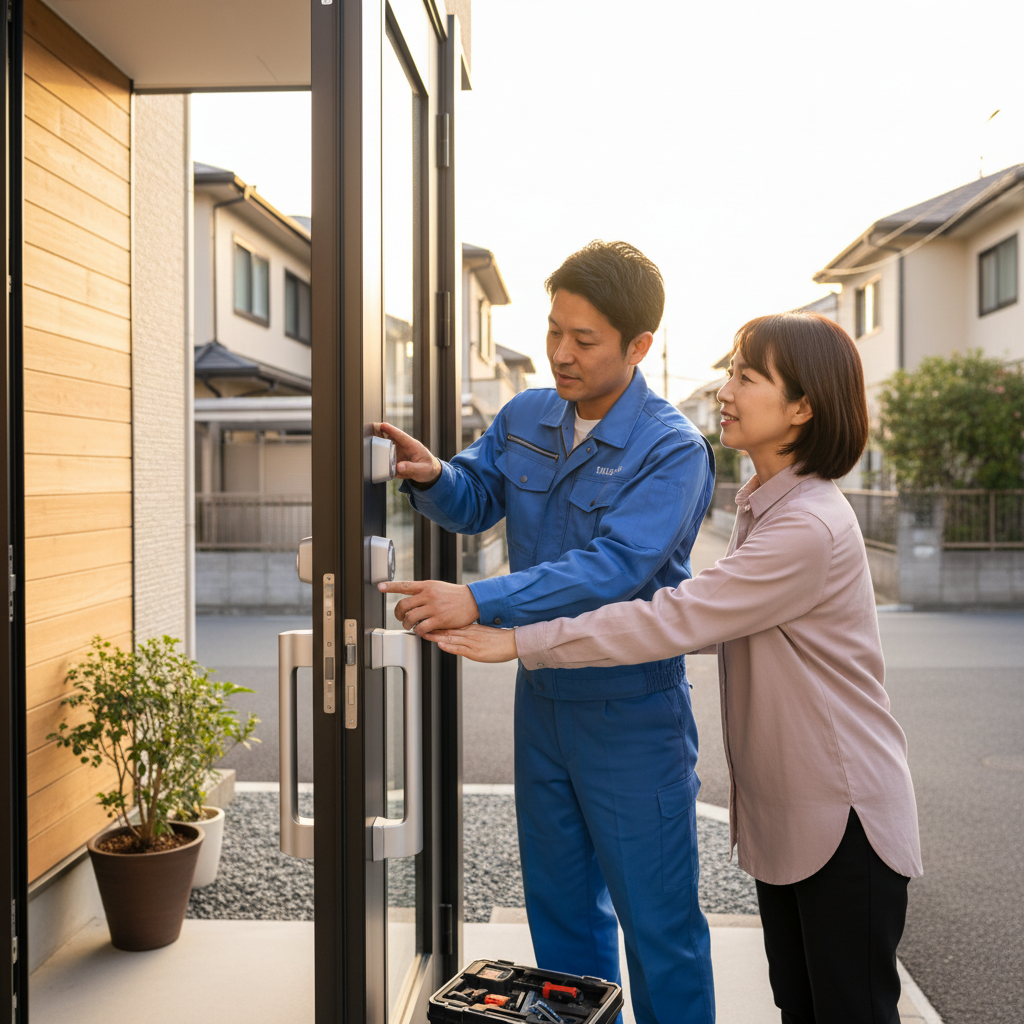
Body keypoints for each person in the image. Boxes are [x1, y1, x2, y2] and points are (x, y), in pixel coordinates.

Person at [430, 312, 923, 1024]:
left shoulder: (807, 525)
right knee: (803, 1005)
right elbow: (702, 621)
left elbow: (677, 616)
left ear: (803, 406)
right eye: (731, 371)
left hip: (843, 817)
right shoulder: (767, 504)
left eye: (748, 376)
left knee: (844, 1010)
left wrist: (518, 637)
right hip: (799, 815)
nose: (726, 390)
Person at [377, 241, 717, 1024]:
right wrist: (435, 476)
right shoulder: (526, 413)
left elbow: (615, 568)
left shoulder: (672, 450)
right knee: (562, 918)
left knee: (658, 927)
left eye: (585, 339)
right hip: (545, 704)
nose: (561, 353)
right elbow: (476, 495)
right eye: (555, 330)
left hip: (632, 708)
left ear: (639, 347)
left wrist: (481, 601)